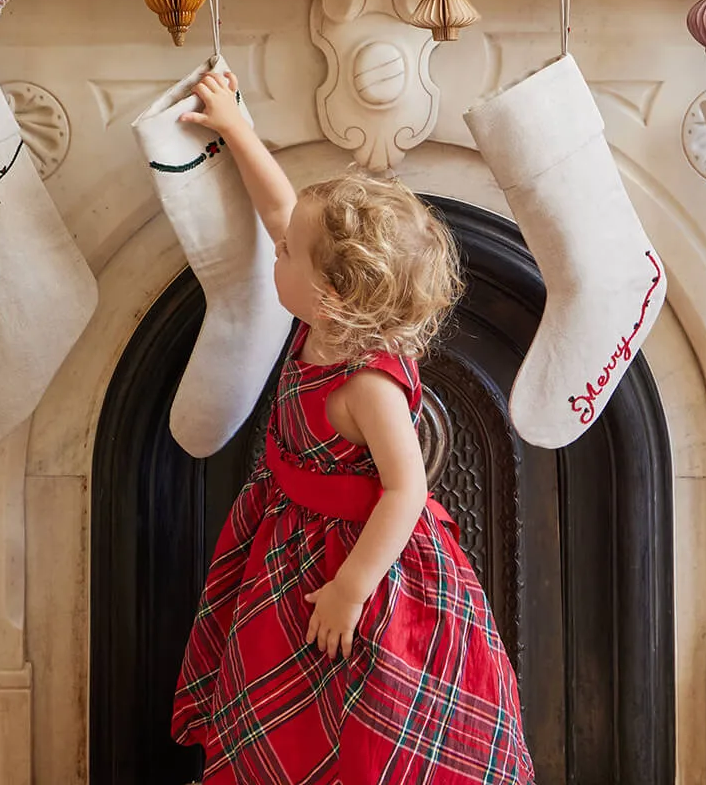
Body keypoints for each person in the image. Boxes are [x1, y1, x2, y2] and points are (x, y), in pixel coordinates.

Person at [171, 69, 535, 784]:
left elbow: (405, 489)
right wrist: (237, 129)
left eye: (284, 255)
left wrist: (352, 587)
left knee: (364, 718)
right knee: (283, 702)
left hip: (363, 569)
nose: (274, 249)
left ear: (330, 292)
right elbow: (283, 212)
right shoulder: (323, 316)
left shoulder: (368, 382)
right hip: (289, 546)